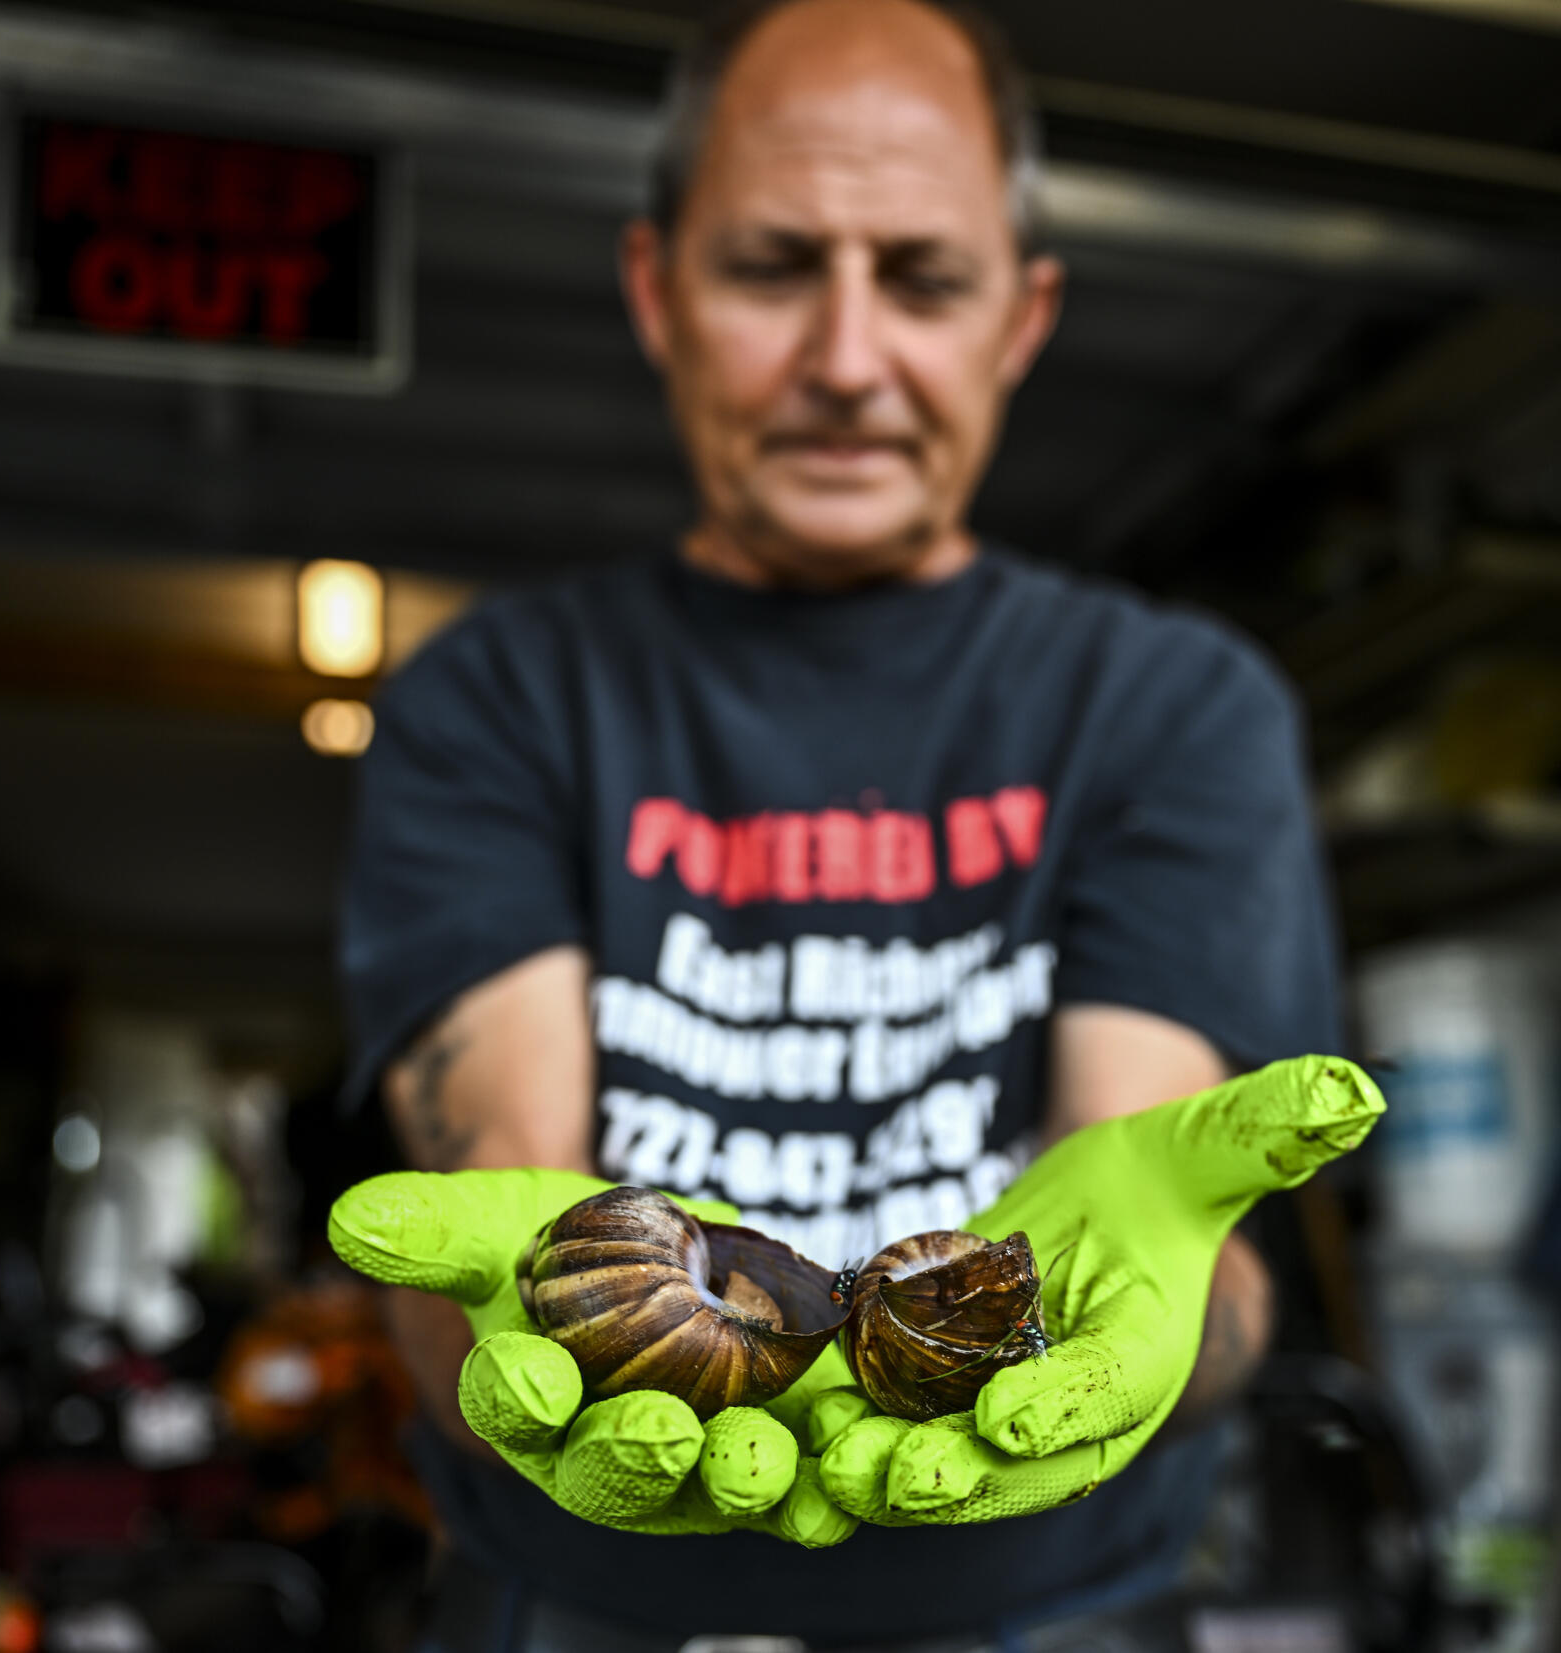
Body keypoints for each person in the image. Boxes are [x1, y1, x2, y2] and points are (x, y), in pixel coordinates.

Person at [333, 0, 1358, 1644]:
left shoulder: (1174, 708)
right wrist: (493, 1336)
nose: (848, 359)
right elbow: (502, 1176)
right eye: (772, 266)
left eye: (925, 279)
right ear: (655, 289)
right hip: (574, 1605)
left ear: (1022, 319)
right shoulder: (491, 703)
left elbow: (1155, 1174)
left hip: (1064, 1605)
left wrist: (1172, 1278)